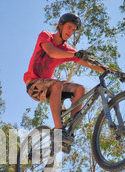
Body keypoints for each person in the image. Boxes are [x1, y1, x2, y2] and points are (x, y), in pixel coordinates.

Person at [24, 13, 108, 146]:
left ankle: (68, 134)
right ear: (60, 26)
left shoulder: (67, 49)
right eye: (69, 27)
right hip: (34, 86)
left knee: (80, 89)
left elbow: (88, 63)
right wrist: (75, 54)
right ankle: (58, 131)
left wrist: (111, 70)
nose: (71, 32)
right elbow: (51, 51)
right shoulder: (46, 36)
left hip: (50, 86)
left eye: (73, 30)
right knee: (57, 84)